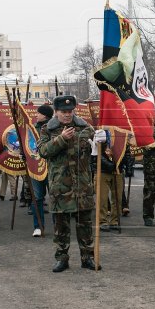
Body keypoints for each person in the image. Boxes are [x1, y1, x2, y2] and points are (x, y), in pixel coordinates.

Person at [38, 95, 105, 272]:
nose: (67, 115)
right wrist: (61, 139)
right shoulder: (47, 129)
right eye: (63, 112)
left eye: (70, 111)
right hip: (60, 187)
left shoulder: (85, 127)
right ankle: (61, 258)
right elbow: (43, 152)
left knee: (85, 225)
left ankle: (88, 257)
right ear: (56, 112)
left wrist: (103, 141)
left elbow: (97, 151)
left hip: (82, 185)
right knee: (61, 226)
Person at [30, 104, 53, 237]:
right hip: (36, 167)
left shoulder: (54, 127)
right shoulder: (32, 128)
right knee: (37, 198)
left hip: (51, 168)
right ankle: (38, 226)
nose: (36, 115)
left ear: (44, 115)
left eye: (38, 113)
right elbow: (28, 144)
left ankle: (58, 226)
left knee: (55, 197)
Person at [97, 143, 131, 233]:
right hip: (102, 171)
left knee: (117, 198)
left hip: (118, 171)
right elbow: (95, 153)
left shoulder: (121, 135)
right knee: (102, 198)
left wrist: (128, 167)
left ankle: (114, 221)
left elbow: (126, 153)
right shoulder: (100, 133)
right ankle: (102, 221)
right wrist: (108, 164)